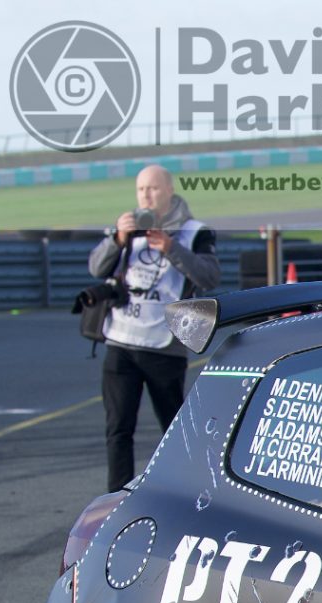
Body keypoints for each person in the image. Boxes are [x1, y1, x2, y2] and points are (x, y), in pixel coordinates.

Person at [87, 164, 220, 492]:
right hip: (122, 341)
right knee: (118, 429)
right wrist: (117, 240)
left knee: (174, 430)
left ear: (170, 191)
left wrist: (171, 249)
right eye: (141, 189)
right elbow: (95, 267)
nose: (146, 195)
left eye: (153, 188)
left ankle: (183, 491)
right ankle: (116, 497)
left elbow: (209, 277)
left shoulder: (194, 231)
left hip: (165, 346)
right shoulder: (125, 228)